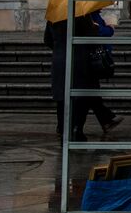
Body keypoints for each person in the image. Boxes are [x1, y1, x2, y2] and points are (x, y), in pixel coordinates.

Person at [44, 9, 120, 140]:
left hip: (60, 61)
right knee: (82, 96)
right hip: (80, 61)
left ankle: (63, 129)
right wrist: (106, 28)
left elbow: (47, 39)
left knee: (63, 96)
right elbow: (93, 36)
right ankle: (76, 130)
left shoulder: (53, 17)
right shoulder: (81, 16)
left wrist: (60, 50)